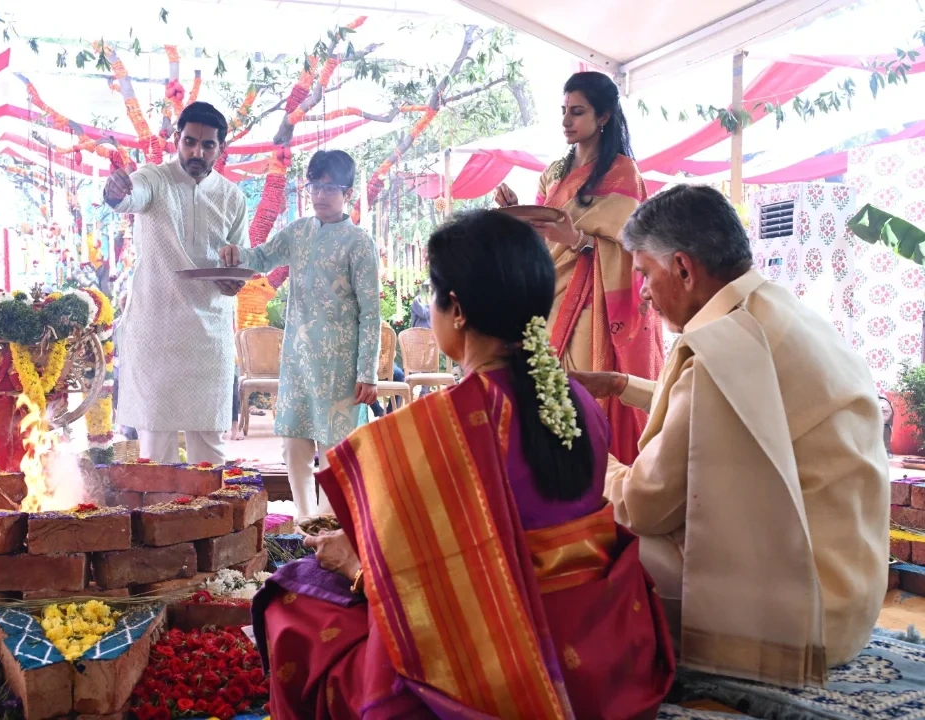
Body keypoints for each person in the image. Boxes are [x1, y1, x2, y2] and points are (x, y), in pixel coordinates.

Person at [252, 210, 674, 719]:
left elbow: (423, 588)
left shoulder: (438, 427)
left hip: (502, 662)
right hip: (606, 647)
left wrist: (353, 565)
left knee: (290, 601)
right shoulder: (577, 402)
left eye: (432, 296)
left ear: (455, 309)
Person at [571, 185, 888, 686]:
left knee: (583, 540)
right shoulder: (780, 312)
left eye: (644, 275)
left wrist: (582, 454)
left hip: (797, 623)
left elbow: (645, 505)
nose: (644, 294)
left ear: (682, 268)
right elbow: (729, 410)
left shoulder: (722, 351)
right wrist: (619, 386)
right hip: (848, 601)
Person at [495, 71, 662, 465]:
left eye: (578, 112)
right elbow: (540, 236)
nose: (567, 121)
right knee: (545, 390)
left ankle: (597, 482)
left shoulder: (622, 173)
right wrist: (512, 210)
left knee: (582, 393)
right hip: (548, 295)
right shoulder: (553, 173)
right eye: (564, 111)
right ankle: (555, 480)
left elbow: (634, 246)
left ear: (603, 116)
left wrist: (579, 241)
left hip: (594, 301)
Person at [220, 150, 381, 519]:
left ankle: (330, 523)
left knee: (334, 449)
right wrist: (234, 253)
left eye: (331, 187)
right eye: (315, 185)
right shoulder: (297, 232)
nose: (321, 194)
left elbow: (371, 313)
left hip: (342, 365)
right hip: (298, 359)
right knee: (293, 443)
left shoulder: (359, 243)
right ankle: (304, 520)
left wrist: (367, 372)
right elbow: (260, 258)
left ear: (349, 193)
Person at [103, 101, 249, 465]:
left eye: (207, 145)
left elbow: (239, 256)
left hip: (209, 331)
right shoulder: (155, 179)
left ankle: (213, 522)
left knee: (209, 448)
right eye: (189, 142)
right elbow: (127, 198)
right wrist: (115, 192)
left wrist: (234, 280)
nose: (197, 152)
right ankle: (160, 520)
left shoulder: (233, 197)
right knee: (156, 450)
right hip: (158, 329)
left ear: (221, 148)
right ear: (176, 140)